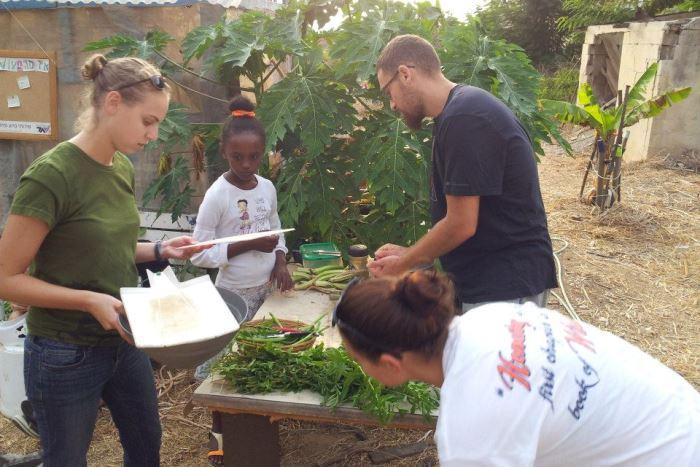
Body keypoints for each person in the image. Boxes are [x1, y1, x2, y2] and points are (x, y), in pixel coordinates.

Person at [0, 54, 209, 467]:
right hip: (64, 351)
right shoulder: (51, 175)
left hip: (125, 338)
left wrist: (161, 250)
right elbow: (7, 278)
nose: (154, 134)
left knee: (146, 444)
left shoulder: (120, 168)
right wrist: (88, 300)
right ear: (113, 102)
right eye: (148, 121)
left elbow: (105, 247)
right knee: (66, 458)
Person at [333, 271, 700, 466]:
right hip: (681, 418)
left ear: (390, 365)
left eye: (357, 360)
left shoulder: (472, 427)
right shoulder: (490, 318)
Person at [368, 34, 557, 312]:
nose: (392, 104)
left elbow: (461, 223)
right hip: (490, 282)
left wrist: (405, 263)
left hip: (504, 288)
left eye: (388, 92)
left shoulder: (465, 118)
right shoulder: (457, 113)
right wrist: (413, 255)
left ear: (405, 74)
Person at [189, 94, 293, 465]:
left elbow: (276, 228)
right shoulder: (218, 196)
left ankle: (259, 427)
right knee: (222, 371)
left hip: (266, 293)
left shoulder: (266, 188)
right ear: (224, 153)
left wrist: (280, 258)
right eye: (238, 157)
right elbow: (200, 252)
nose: (246, 165)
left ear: (263, 152)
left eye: (254, 157)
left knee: (257, 361)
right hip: (231, 295)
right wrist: (247, 244)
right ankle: (220, 437)